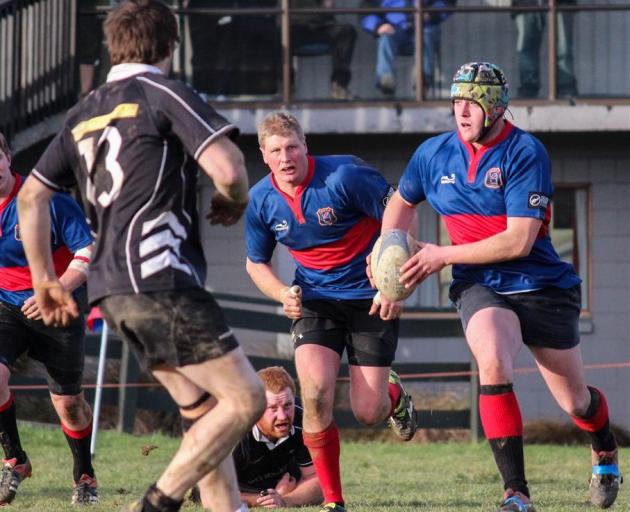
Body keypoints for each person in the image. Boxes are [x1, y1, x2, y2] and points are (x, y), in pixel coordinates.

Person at [16, 2, 266, 512]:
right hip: (159, 277)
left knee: (205, 413)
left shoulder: (82, 112)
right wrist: (233, 198)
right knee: (247, 399)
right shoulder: (162, 91)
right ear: (169, 47)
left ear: (113, 46)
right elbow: (231, 165)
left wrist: (44, 277)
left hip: (110, 289)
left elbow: (30, 197)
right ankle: (157, 503)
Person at [375, 61, 621, 511]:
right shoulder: (432, 155)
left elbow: (518, 239)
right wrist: (387, 266)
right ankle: (516, 494)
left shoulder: (526, 151)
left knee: (576, 402)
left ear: (497, 106)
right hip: (480, 284)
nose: (463, 111)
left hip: (541, 284)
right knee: (492, 362)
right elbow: (401, 204)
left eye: (473, 101)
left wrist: (440, 255)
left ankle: (604, 447)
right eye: (456, 102)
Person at [245, 111, 417, 512]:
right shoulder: (260, 200)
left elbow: (402, 213)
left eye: (292, 147)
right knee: (316, 394)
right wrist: (281, 293)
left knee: (368, 412)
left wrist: (395, 281)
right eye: (275, 151)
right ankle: (333, 501)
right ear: (263, 155)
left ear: (305, 146)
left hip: (369, 296)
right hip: (315, 301)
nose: (286, 157)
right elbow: (256, 263)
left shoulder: (345, 176)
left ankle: (393, 394)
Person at [0, 133, 97, 506]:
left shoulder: (47, 200)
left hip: (57, 307)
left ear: (8, 158)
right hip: (6, 307)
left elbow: (86, 250)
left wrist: (55, 290)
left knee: (69, 404)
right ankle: (15, 459)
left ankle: (84, 475)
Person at [197, 366, 322, 509]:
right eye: (272, 408)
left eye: (287, 405)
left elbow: (319, 480)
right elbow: (210, 496)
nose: (282, 416)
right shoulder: (232, 430)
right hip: (238, 486)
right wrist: (261, 499)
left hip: (285, 479)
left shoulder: (304, 418)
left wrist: (285, 500)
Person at [361, 0, 452, 96]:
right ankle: (385, 79)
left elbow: (447, 3)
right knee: (385, 37)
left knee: (426, 34)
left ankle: (422, 79)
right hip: (395, 29)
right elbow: (366, 10)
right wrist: (378, 26)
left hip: (424, 26)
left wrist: (431, 13)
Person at [290, 0, 357, 100]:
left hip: (321, 25)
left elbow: (328, 7)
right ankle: (285, 86)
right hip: (294, 25)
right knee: (280, 35)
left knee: (346, 31)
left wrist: (328, 5)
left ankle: (339, 87)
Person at [512, 0, 578, 98]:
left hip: (560, 3)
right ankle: (528, 88)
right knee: (526, 49)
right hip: (526, 4)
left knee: (563, 48)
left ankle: (566, 87)